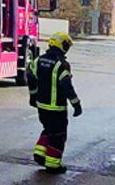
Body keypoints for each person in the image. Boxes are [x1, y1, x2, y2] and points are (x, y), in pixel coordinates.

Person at [27, 31, 82, 174]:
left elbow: (30, 77)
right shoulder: (61, 65)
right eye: (66, 45)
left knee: (48, 129)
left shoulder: (38, 60)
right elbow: (67, 86)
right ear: (61, 45)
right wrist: (76, 104)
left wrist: (33, 96)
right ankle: (53, 164)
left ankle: (40, 153)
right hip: (56, 108)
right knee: (58, 135)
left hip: (41, 106)